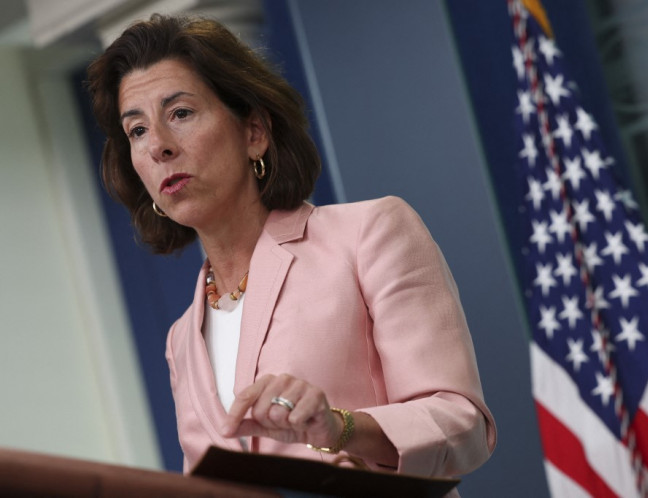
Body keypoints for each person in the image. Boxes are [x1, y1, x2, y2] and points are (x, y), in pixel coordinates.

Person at [86, 13, 496, 491]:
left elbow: (461, 423)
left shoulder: (370, 232)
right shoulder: (182, 340)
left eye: (180, 113)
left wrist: (338, 427)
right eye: (136, 131)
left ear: (253, 131)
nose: (158, 146)